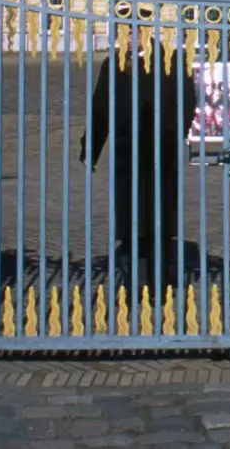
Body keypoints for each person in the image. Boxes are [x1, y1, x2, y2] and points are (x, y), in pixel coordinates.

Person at [81, 42, 199, 288]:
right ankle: (136, 281)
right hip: (128, 154)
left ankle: (161, 281)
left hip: (162, 152)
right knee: (131, 218)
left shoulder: (173, 60)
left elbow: (188, 100)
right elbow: (100, 107)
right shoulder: (115, 63)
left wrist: (176, 131)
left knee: (161, 218)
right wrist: (90, 148)